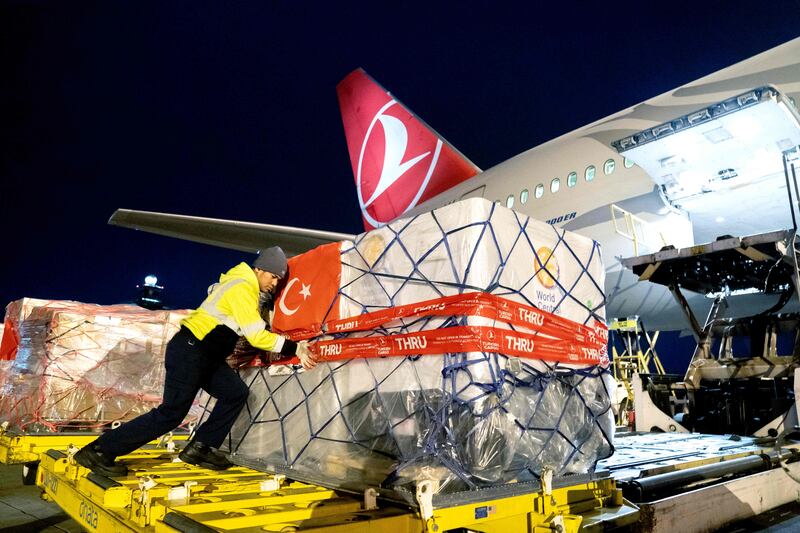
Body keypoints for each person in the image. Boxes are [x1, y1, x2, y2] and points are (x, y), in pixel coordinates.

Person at [74, 246, 317, 476]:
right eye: (273, 277)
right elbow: (255, 335)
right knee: (171, 414)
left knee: (235, 392)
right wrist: (295, 347)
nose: (274, 284)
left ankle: (200, 447)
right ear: (259, 270)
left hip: (206, 356)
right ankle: (99, 451)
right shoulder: (243, 287)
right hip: (192, 351)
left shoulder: (238, 284)